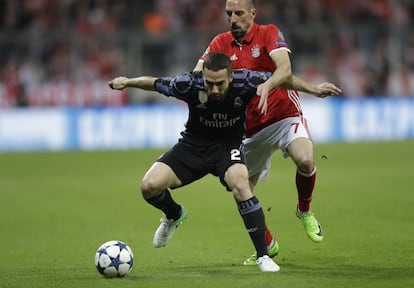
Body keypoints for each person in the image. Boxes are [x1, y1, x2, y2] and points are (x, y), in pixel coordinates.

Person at [193, 0, 342, 266]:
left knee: (305, 159)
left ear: (252, 14)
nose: (233, 18)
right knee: (239, 188)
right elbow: (198, 73)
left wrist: (268, 85)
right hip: (248, 129)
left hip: (283, 115)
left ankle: (304, 210)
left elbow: (284, 70)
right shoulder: (219, 43)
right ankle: (268, 244)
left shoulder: (269, 33)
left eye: (239, 13)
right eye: (229, 14)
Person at [108, 52, 280, 272]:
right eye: (209, 84)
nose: (214, 90)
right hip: (193, 146)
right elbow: (154, 82)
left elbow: (283, 77)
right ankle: (174, 215)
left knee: (241, 184)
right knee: (148, 187)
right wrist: (127, 82)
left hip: (227, 147)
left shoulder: (247, 80)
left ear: (230, 77)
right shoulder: (189, 83)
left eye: (219, 84)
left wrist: (313, 89)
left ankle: (263, 256)